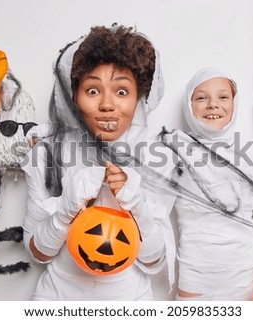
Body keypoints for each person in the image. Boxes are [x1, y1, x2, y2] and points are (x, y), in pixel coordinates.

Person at [21, 24, 174, 300]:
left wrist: (136, 204)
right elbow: (36, 253)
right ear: (73, 98)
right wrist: (65, 210)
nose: (107, 104)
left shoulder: (158, 161)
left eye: (121, 91)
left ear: (139, 97)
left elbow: (155, 262)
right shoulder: (46, 155)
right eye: (92, 90)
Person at [159, 67, 253, 300]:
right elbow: (154, 211)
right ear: (189, 105)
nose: (213, 104)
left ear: (234, 103)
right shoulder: (174, 151)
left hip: (246, 283)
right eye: (201, 98)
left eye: (223, 97)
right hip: (195, 284)